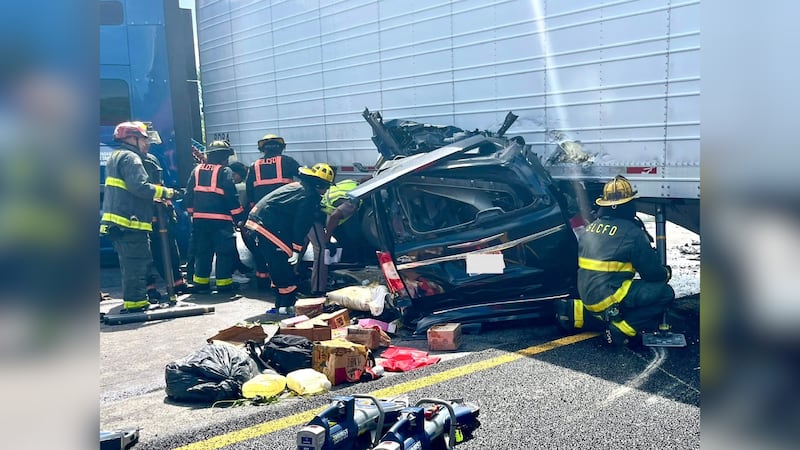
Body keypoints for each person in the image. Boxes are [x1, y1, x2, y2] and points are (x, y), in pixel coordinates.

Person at [577, 175, 675, 346]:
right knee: (665, 293)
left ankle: (599, 316)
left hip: (587, 296)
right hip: (607, 298)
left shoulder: (590, 227)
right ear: (628, 204)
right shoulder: (632, 233)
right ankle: (622, 328)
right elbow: (652, 274)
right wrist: (665, 272)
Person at [100, 121, 180, 312]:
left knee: (130, 264)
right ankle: (136, 304)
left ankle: (135, 301)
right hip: (130, 222)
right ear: (131, 138)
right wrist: (167, 192)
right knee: (137, 263)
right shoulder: (131, 158)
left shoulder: (116, 156)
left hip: (118, 223)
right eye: (144, 139)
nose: (147, 144)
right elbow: (141, 187)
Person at [243, 162, 334, 314]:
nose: (327, 190)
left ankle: (280, 304)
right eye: (327, 186)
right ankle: (287, 305)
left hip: (260, 220)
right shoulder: (310, 196)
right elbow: (301, 224)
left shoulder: (299, 187)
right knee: (283, 264)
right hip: (269, 223)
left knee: (276, 264)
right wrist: (297, 248)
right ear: (319, 184)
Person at [182, 140, 247, 294]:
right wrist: (238, 218)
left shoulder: (196, 171)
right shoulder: (224, 172)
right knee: (224, 252)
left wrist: (193, 213)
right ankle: (223, 284)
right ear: (223, 157)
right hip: (221, 222)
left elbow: (188, 195)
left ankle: (201, 284)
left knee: (203, 251)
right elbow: (232, 197)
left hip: (199, 221)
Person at [141, 151, 190, 298]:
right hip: (145, 219)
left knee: (171, 251)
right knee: (147, 256)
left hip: (161, 218)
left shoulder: (152, 159)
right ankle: (149, 289)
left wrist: (168, 209)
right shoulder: (135, 163)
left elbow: (161, 187)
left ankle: (177, 283)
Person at [307, 178, 361, 295]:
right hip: (314, 217)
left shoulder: (352, 183)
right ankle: (317, 290)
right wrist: (327, 239)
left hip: (319, 211)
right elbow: (335, 216)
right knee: (321, 250)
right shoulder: (353, 201)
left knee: (301, 249)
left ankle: (296, 274)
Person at [245, 134, 300, 208]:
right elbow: (304, 176)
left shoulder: (254, 165)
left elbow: (249, 189)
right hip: (285, 207)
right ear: (281, 148)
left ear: (263, 150)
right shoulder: (287, 161)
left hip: (262, 210)